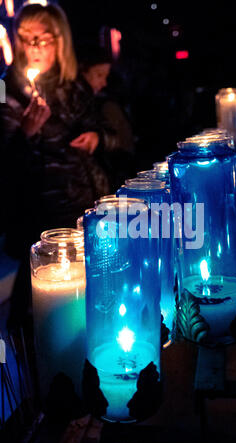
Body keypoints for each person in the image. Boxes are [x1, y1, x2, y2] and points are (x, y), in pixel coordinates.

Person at [0, 4, 109, 329]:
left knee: (87, 303)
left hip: (82, 210)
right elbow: (4, 161)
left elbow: (103, 129)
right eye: (26, 38)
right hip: (37, 218)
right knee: (36, 312)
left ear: (59, 41)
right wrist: (26, 134)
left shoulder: (73, 86)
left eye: (43, 39)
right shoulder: (6, 88)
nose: (34, 47)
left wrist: (95, 137)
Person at [78, 44, 136, 192]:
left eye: (105, 76)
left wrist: (99, 139)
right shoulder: (82, 106)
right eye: (99, 75)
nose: (104, 83)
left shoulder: (101, 103)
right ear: (81, 71)